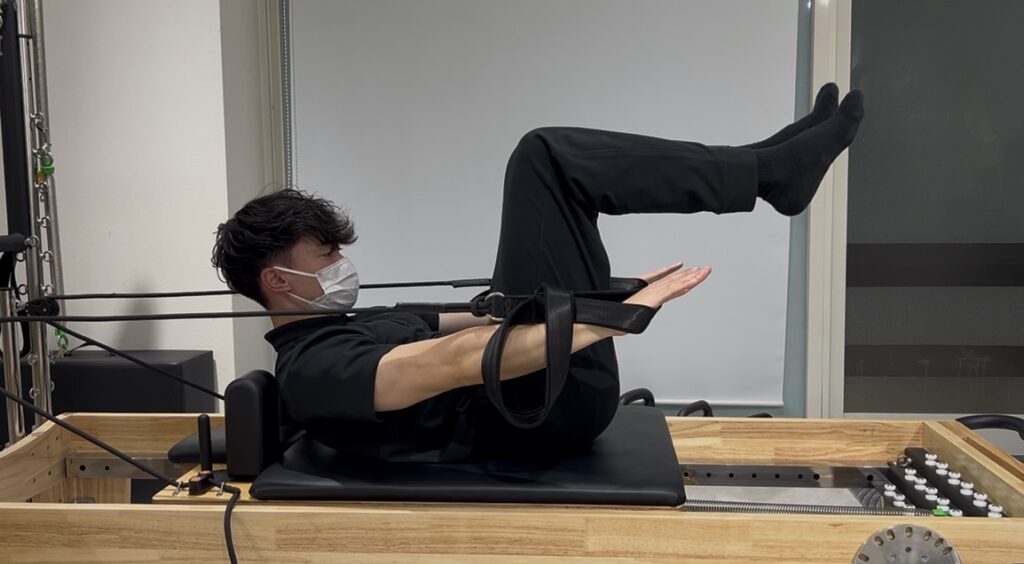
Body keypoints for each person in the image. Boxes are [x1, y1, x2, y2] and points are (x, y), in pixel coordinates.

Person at [212, 84, 863, 462]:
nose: (342, 265)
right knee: (545, 158)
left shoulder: (348, 326)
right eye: (326, 256)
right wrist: (609, 319)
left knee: (546, 173)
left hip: (543, 398)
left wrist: (604, 290)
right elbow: (459, 360)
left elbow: (472, 318)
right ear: (277, 280)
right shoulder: (317, 371)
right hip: (537, 414)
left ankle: (762, 165)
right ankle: (766, 173)